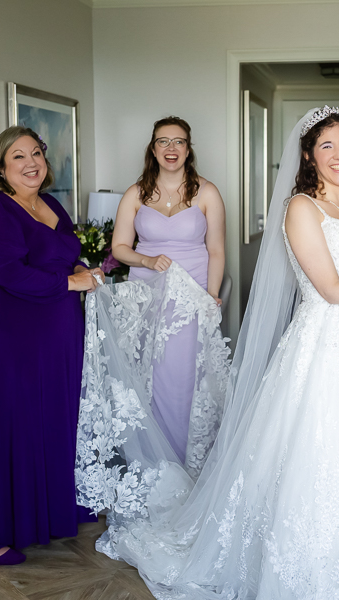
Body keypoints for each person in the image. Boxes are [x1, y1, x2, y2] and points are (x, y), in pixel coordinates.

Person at [78, 107, 339, 598]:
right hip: (322, 344)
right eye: (327, 146)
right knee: (317, 451)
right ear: (308, 155)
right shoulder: (301, 208)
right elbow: (333, 289)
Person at [0, 126, 102, 565]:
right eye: (18, 156)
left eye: (37, 153)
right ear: (0, 165)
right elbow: (10, 273)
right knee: (2, 423)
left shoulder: (50, 203)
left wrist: (81, 266)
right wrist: (72, 281)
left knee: (49, 416)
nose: (31, 162)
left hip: (50, 329)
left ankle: (46, 514)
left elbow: (62, 252)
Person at [109, 116, 226, 467]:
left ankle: (185, 461)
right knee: (148, 377)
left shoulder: (207, 192)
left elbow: (217, 250)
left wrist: (211, 295)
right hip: (145, 297)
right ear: (153, 148)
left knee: (182, 378)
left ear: (188, 149)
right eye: (163, 141)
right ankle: (153, 461)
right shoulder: (136, 193)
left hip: (190, 298)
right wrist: (146, 259)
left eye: (178, 142)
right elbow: (119, 248)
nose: (171, 149)